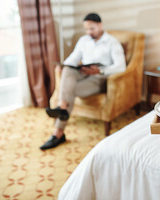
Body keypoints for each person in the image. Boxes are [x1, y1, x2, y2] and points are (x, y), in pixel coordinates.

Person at [40, 13, 126, 150]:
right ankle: (62, 107)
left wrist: (100, 71)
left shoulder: (112, 42)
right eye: (86, 29)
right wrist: (62, 66)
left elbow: (121, 66)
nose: (89, 32)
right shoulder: (84, 40)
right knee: (68, 69)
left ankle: (57, 133)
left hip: (98, 77)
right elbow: (73, 59)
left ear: (100, 25)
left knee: (68, 91)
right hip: (82, 73)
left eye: (92, 29)